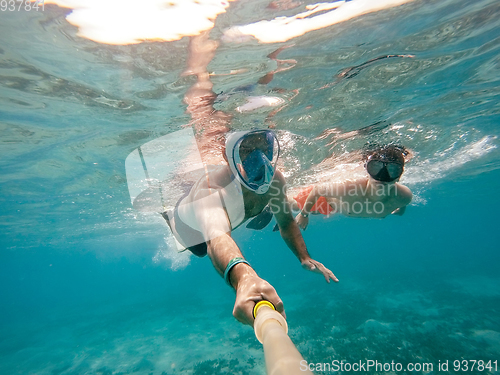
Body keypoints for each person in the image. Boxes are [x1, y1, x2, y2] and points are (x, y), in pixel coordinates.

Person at [166, 32, 336, 327]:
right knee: (198, 249)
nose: (259, 159)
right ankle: (170, 217)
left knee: (265, 209)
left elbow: (287, 223)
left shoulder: (276, 181)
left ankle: (255, 210)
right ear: (231, 158)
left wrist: (303, 257)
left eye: (265, 148)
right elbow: (218, 237)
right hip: (192, 226)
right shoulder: (212, 189)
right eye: (247, 151)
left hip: (236, 212)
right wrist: (244, 277)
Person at [294, 145, 412, 230]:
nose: (381, 177)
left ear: (399, 176)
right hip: (325, 201)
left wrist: (397, 211)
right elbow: (318, 189)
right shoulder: (349, 189)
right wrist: (303, 214)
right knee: (292, 203)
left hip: (341, 206)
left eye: (392, 171)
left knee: (317, 212)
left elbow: (401, 207)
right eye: (375, 168)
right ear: (367, 171)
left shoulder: (404, 197)